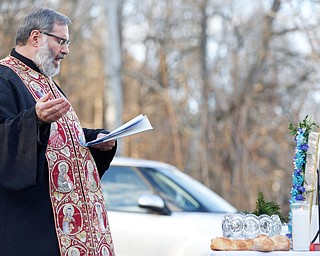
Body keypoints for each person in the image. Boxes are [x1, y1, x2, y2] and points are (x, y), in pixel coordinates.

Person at [0, 7, 117, 256]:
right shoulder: (4, 78)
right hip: (30, 226)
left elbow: (60, 137)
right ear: (36, 37)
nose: (66, 50)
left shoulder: (47, 82)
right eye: (61, 41)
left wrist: (95, 138)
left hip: (62, 227)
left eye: (68, 42)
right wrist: (34, 119)